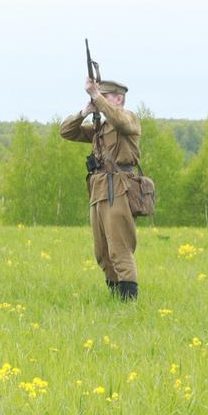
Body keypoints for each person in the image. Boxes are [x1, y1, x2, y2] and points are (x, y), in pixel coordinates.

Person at [62, 76, 144, 300]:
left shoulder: (128, 119)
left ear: (118, 98)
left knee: (120, 249)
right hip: (98, 190)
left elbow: (120, 121)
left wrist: (97, 95)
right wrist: (85, 111)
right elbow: (66, 132)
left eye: (104, 97)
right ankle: (116, 299)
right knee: (102, 252)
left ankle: (129, 303)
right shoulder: (100, 128)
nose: (99, 101)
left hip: (119, 187)